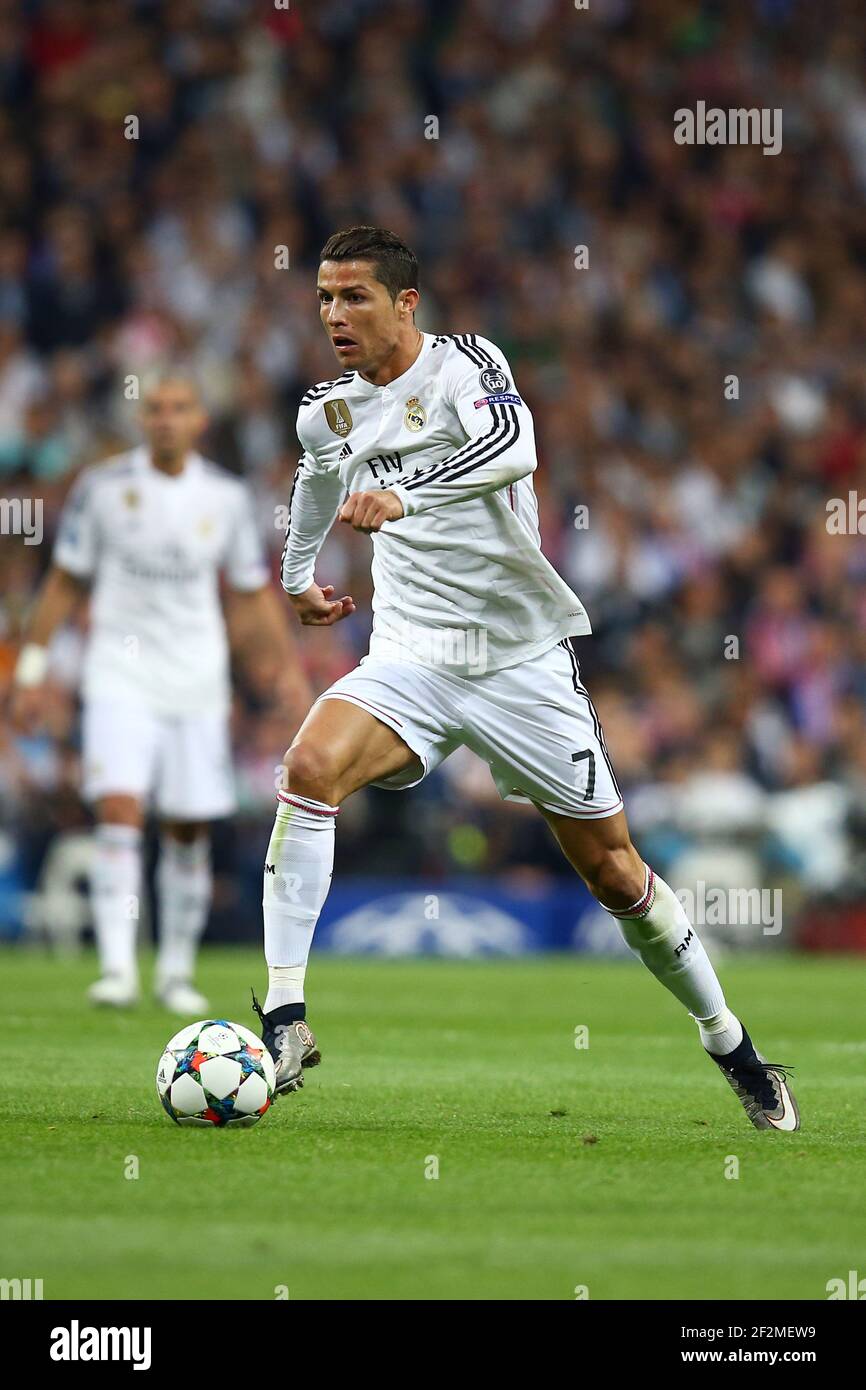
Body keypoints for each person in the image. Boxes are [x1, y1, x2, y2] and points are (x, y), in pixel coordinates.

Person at [254, 226, 798, 1132]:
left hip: (518, 661)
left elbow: (515, 448)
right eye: (323, 297)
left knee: (618, 876)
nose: (334, 315)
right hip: (411, 654)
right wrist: (297, 575)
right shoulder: (329, 407)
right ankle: (285, 1018)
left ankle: (729, 1040)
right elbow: (315, 477)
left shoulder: (468, 365)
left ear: (405, 303)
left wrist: (406, 495)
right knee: (308, 769)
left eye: (354, 296)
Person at [12, 374, 311, 1013]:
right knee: (119, 809)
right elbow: (64, 583)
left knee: (187, 827)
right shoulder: (103, 488)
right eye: (155, 409)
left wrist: (285, 671)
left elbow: (252, 592)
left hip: (197, 681)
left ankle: (175, 970)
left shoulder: (225, 497)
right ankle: (118, 969)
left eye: (180, 408)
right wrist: (31, 671)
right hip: (119, 676)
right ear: (141, 418)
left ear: (200, 419)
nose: (167, 420)